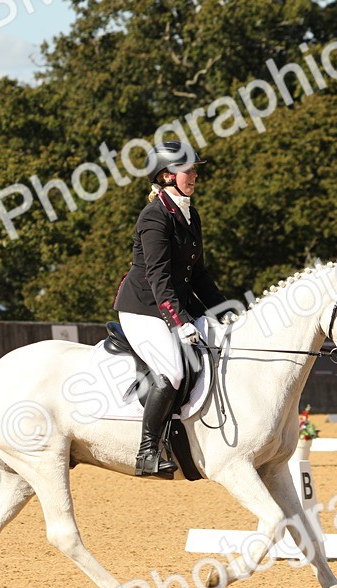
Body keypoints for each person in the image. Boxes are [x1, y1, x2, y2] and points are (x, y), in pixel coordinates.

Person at [113, 140, 229, 478]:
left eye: (194, 169)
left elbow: (200, 275)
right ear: (166, 176)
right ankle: (147, 451)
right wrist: (179, 321)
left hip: (174, 304)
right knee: (173, 372)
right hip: (144, 308)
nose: (194, 174)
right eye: (188, 169)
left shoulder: (189, 213)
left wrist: (227, 312)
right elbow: (158, 276)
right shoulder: (155, 216)